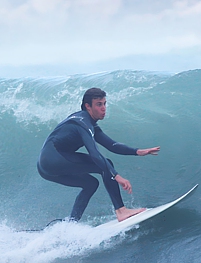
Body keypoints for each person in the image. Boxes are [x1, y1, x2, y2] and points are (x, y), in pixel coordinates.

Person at [37, 87, 160, 222]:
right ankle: (121, 210)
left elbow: (112, 145)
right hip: (54, 158)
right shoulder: (83, 123)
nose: (103, 108)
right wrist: (116, 176)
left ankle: (71, 223)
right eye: (99, 104)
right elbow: (95, 154)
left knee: (91, 184)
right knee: (106, 164)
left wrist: (137, 152)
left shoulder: (87, 123)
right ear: (87, 106)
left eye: (104, 104)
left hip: (45, 167)